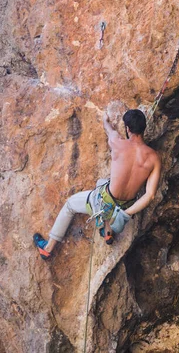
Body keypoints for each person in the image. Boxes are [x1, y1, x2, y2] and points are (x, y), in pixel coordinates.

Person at [33, 109, 161, 259]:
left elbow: (108, 128)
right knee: (102, 182)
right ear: (144, 128)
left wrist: (106, 119)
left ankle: (47, 249)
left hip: (104, 203)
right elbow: (150, 195)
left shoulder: (117, 143)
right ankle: (107, 232)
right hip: (124, 208)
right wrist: (126, 214)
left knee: (70, 205)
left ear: (127, 129)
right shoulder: (154, 158)